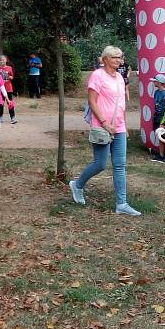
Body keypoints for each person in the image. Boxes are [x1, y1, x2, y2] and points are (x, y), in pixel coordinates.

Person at [69, 46, 141, 216]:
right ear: (105, 59)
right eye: (115, 57)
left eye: (120, 57)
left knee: (119, 165)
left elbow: (121, 103)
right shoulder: (97, 76)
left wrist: (124, 126)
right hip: (101, 126)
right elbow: (92, 101)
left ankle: (121, 203)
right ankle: (77, 185)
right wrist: (103, 122)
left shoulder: (120, 78)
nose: (119, 60)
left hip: (119, 127)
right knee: (100, 164)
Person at [150, 74, 165, 163]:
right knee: (159, 136)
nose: (153, 82)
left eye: (154, 81)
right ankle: (161, 155)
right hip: (157, 116)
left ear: (159, 82)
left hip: (163, 118)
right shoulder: (156, 92)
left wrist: (164, 121)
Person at [0, 55, 17, 124]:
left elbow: (12, 76)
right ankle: (0, 117)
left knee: (10, 103)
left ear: (6, 60)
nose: (2, 61)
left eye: (3, 60)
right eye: (1, 60)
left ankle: (12, 118)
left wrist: (10, 77)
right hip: (0, 89)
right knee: (0, 104)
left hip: (8, 89)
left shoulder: (9, 68)